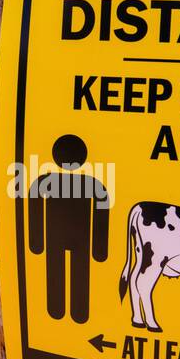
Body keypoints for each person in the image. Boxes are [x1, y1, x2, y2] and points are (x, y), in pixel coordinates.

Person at [28, 134, 109, 323]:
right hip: (74, 240)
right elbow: (101, 214)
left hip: (59, 239)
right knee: (75, 274)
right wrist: (99, 250)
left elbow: (35, 212)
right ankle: (76, 313)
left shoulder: (44, 181)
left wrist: (36, 243)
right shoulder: (92, 183)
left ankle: (59, 310)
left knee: (58, 272)